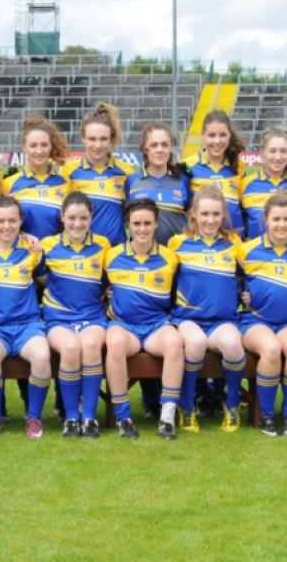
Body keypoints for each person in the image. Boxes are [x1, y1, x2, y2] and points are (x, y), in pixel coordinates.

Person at [0, 196, 51, 439]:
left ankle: (34, 417)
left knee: (42, 355)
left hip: (28, 325)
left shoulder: (32, 250)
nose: (6, 226)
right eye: (1, 221)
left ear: (21, 221)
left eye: (12, 220)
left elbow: (46, 282)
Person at [125, 122, 190, 419]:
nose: (160, 150)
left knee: (173, 329)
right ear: (145, 150)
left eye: (165, 144)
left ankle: (180, 398)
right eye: (155, 145)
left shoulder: (183, 181)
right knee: (147, 321)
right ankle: (152, 400)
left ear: (171, 149)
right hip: (142, 266)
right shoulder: (132, 182)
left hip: (177, 267)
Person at [168, 186, 246, 433]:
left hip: (223, 321)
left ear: (223, 214)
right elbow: (157, 275)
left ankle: (232, 405)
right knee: (196, 343)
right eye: (205, 214)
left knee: (234, 346)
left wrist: (249, 293)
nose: (210, 220)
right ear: (194, 215)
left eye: (216, 214)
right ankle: (187, 407)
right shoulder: (178, 243)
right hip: (189, 319)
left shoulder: (234, 243)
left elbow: (252, 274)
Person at [104, 198, 184, 439]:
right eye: (136, 223)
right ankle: (123, 418)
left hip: (156, 325)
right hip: (123, 324)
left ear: (157, 223)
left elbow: (180, 292)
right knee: (115, 343)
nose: (142, 229)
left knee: (174, 343)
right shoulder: (111, 255)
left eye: (147, 223)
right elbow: (96, 288)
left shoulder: (170, 257)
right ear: (128, 224)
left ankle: (167, 418)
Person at [239, 193, 287, 436]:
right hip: (256, 321)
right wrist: (242, 295)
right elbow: (232, 283)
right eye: (276, 219)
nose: (282, 224)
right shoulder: (247, 250)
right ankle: (267, 414)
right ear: (266, 220)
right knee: (270, 349)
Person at [38, 191, 110, 437]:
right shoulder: (47, 245)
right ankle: (71, 417)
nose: (77, 224)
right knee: (69, 349)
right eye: (71, 218)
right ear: (61, 217)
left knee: (90, 346)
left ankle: (89, 417)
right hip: (58, 318)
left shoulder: (103, 245)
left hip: (92, 317)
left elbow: (108, 281)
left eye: (83, 218)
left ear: (91, 218)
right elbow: (39, 277)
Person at [61, 102, 134, 246]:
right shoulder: (69, 171)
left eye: (103, 139)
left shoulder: (126, 172)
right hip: (84, 252)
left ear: (111, 140)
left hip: (116, 252)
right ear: (83, 138)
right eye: (92, 139)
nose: (98, 145)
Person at [3, 116, 70, 240]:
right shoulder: (8, 184)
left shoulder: (65, 182)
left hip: (57, 256)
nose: (39, 151)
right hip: (23, 256)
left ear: (51, 146)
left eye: (44, 145)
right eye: (33, 145)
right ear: (24, 147)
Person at [182, 110, 247, 234]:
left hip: (233, 243)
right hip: (200, 243)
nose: (217, 141)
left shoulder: (239, 166)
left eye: (222, 135)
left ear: (230, 136)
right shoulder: (187, 166)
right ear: (203, 136)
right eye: (211, 135)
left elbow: (244, 208)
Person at [241, 126, 287, 238]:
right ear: (262, 153)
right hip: (256, 255)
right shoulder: (245, 185)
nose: (278, 157)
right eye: (272, 151)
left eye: (283, 151)